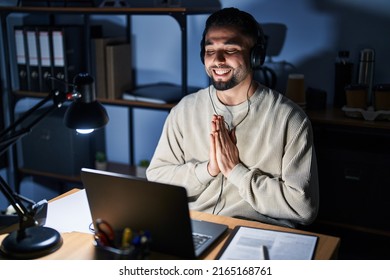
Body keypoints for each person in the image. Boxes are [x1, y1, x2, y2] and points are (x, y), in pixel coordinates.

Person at [146, 7, 319, 228]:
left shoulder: (290, 119)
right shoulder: (184, 110)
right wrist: (208, 170)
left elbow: (303, 208)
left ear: (255, 56)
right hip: (194, 226)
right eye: (210, 50)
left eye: (230, 49)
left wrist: (235, 171)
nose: (217, 60)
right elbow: (157, 177)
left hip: (256, 232)